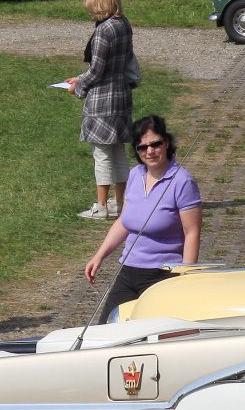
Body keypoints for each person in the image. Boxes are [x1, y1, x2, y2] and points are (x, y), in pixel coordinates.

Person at [84, 115, 203, 312]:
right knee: (108, 325)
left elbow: (192, 233)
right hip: (129, 270)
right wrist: (99, 256)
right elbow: (124, 222)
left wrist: (185, 277)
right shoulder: (135, 175)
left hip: (163, 274)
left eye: (155, 144)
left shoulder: (182, 182)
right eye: (142, 147)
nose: (150, 151)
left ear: (166, 143)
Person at [70, 0, 137, 220]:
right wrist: (79, 78)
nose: (89, 10)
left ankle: (100, 207)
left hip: (102, 101)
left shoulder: (103, 30)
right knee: (118, 151)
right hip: (121, 96)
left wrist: (79, 86)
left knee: (102, 154)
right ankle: (120, 202)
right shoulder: (124, 24)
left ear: (99, 4)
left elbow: (97, 70)